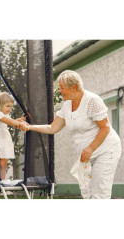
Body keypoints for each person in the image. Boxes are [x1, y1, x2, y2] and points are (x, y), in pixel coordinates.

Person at [20, 70, 122, 199]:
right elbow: (52, 127)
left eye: (62, 88)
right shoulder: (67, 106)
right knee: (87, 194)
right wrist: (29, 127)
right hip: (87, 156)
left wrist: (91, 148)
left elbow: (105, 128)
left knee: (99, 193)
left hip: (105, 151)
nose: (60, 91)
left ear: (73, 87)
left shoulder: (92, 101)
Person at [0, 92, 26, 181]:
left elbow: (12, 122)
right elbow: (10, 122)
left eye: (11, 106)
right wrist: (19, 123)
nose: (9, 109)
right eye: (7, 106)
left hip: (2, 141)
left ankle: (2, 181)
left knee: (4, 163)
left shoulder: (5, 115)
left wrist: (22, 119)